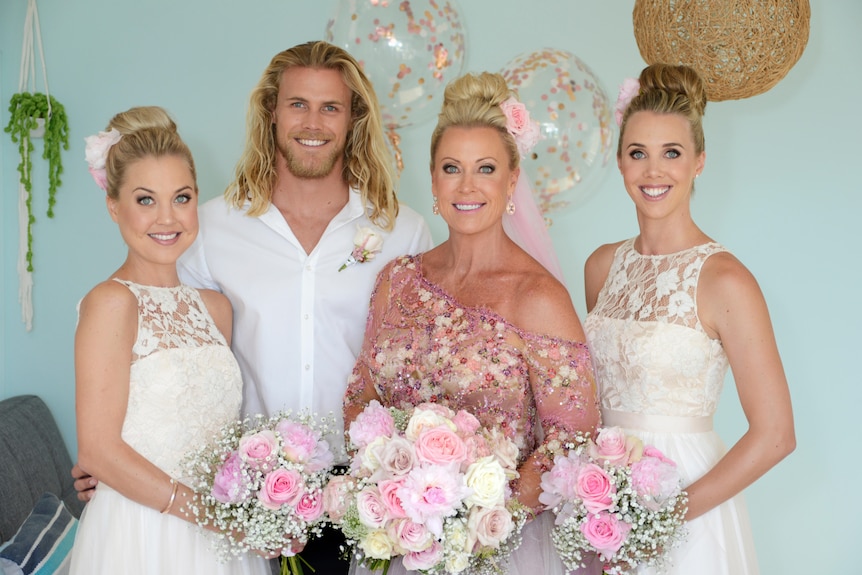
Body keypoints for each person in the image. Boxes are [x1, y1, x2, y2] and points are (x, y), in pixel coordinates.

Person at [74, 41, 433, 573]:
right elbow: (153, 343)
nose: (313, 122)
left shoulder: (403, 231)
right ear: (271, 111)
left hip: (369, 495)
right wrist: (105, 455)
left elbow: (420, 368)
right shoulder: (209, 227)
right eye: (297, 104)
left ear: (354, 118)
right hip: (252, 499)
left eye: (330, 106)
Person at [343, 72, 601, 575]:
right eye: (451, 168)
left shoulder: (538, 296)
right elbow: (360, 397)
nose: (467, 186)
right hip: (402, 542)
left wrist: (473, 521)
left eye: (485, 168)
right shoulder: (397, 281)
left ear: (511, 180)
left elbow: (573, 437)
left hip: (500, 549)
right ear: (434, 180)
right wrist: (395, 495)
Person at [583, 64, 795, 574]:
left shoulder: (726, 280)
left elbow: (775, 435)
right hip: (602, 507)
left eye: (671, 153)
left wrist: (666, 518)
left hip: (688, 506)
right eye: (639, 153)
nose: (654, 172)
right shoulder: (601, 266)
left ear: (699, 161)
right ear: (619, 162)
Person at [70, 106, 270, 574]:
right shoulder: (110, 303)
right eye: (145, 200)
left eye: (181, 198)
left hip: (222, 539)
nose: (167, 218)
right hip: (142, 533)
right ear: (113, 205)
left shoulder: (216, 309)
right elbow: (97, 450)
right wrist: (211, 515)